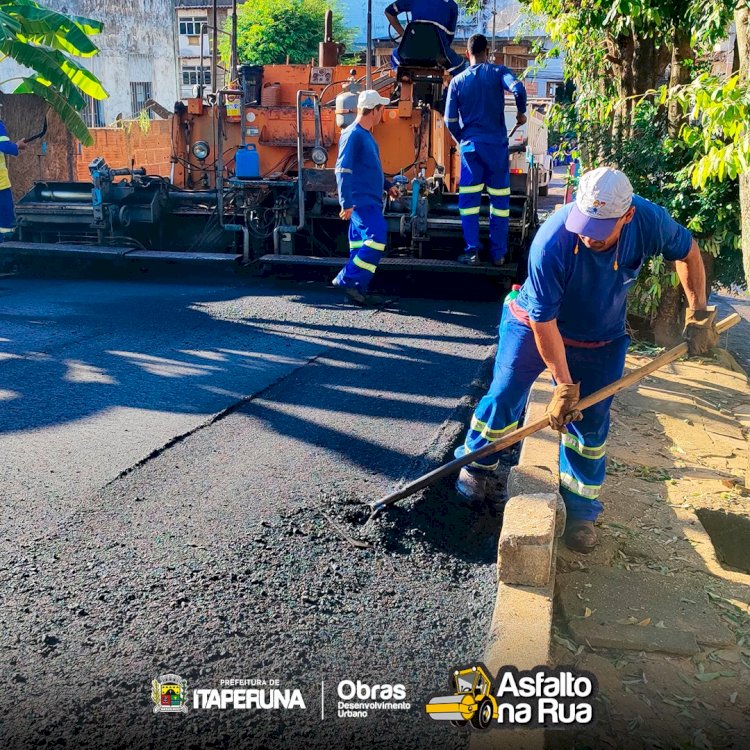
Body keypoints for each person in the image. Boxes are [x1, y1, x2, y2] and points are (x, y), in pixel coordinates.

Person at [454, 166, 718, 553]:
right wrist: (562, 384)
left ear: (626, 217)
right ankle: (476, 464)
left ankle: (580, 511)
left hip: (601, 338)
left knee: (591, 426)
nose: (587, 235)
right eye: (583, 224)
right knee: (505, 393)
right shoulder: (552, 241)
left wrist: (697, 312)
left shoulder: (648, 221)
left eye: (599, 229)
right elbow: (544, 322)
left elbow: (689, 251)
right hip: (534, 325)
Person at [444, 34, 527, 266]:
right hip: (496, 150)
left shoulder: (457, 82)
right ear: (487, 51)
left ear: (467, 53)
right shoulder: (499, 73)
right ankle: (498, 254)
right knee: (500, 203)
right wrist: (521, 112)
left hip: (471, 150)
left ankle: (472, 252)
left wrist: (464, 140)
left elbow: (450, 120)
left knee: (469, 204)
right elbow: (518, 89)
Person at [332, 90, 399, 306]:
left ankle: (356, 291)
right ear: (375, 110)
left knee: (360, 246)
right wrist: (346, 203)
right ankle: (347, 279)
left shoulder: (365, 135)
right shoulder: (353, 135)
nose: (383, 113)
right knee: (376, 238)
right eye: (382, 109)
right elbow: (342, 170)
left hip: (366, 200)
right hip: (362, 202)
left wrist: (388, 186)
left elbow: (371, 169)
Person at [385, 0, 466, 75]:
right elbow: (449, 38)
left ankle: (403, 80)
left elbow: (388, 12)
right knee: (462, 66)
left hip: (411, 52)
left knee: (395, 56)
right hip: (438, 55)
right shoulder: (452, 5)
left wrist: (404, 35)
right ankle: (448, 89)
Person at [0, 100, 26, 240]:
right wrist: (17, 146)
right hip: (1, 185)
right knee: (6, 221)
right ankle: (7, 246)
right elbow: (4, 146)